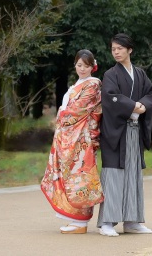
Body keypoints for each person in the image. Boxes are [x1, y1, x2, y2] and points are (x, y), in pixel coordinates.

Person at [97, 33, 152, 236]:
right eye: (113, 49)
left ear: (129, 50)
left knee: (133, 174)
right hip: (115, 132)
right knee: (113, 174)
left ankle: (132, 221)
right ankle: (107, 222)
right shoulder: (110, 75)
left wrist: (142, 105)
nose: (116, 52)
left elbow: (151, 93)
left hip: (134, 131)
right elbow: (111, 98)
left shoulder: (139, 74)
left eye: (120, 48)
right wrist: (134, 106)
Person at [41, 49, 104, 234]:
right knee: (68, 176)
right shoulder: (78, 84)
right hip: (69, 137)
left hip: (80, 139)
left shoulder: (93, 84)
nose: (82, 69)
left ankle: (81, 222)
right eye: (78, 65)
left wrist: (61, 114)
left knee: (80, 177)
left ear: (93, 66)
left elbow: (77, 110)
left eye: (85, 66)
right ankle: (73, 219)